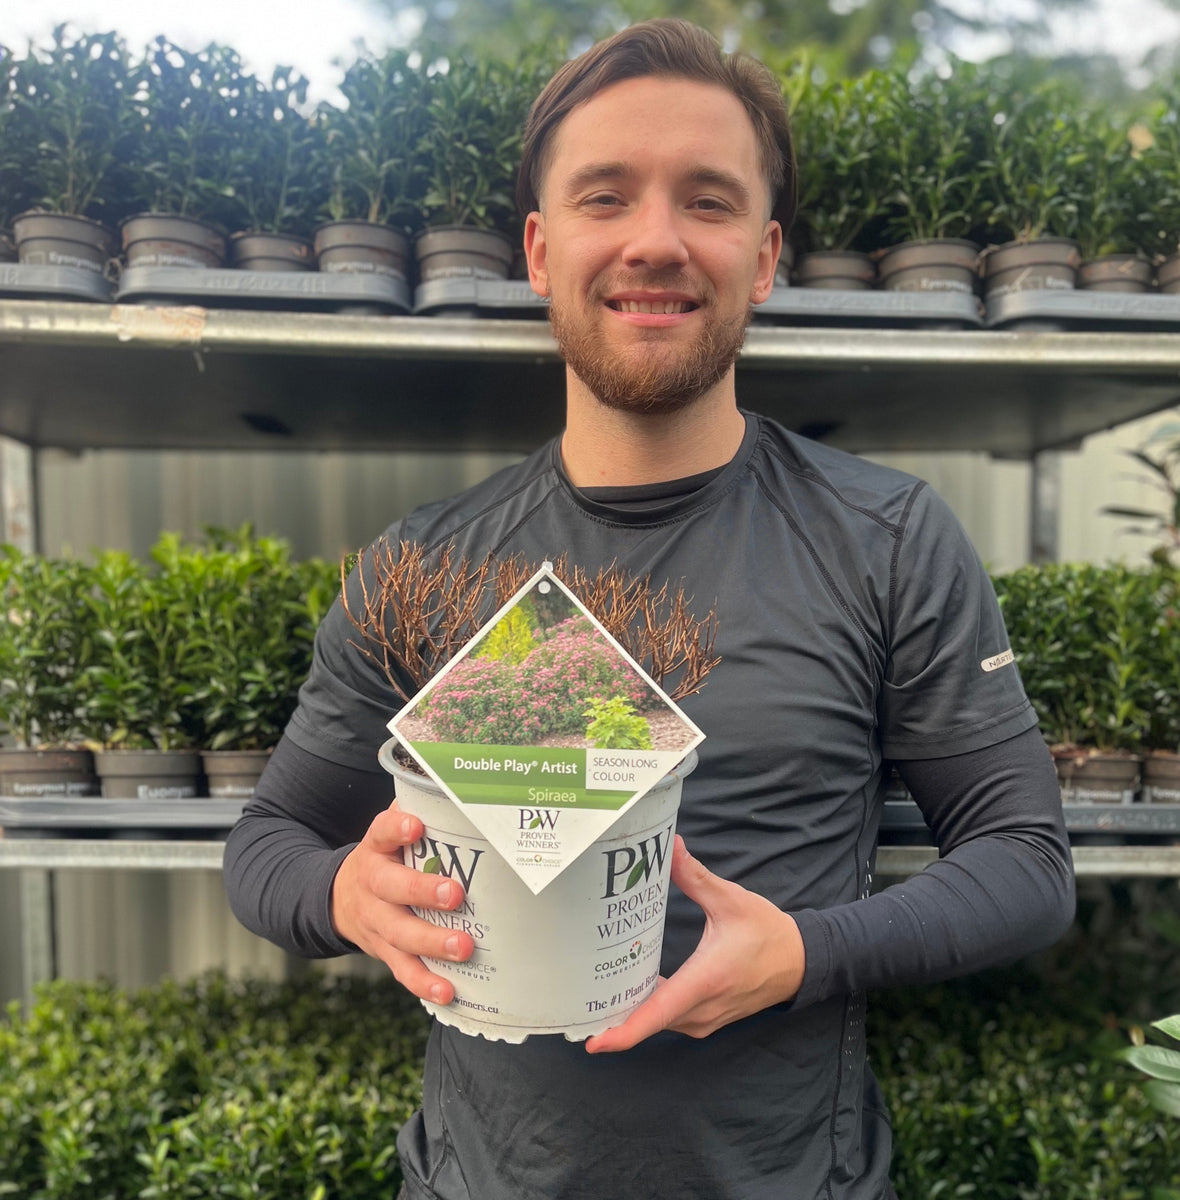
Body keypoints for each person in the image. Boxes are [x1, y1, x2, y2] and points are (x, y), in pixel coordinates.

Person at [224, 19, 1075, 1199]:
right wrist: (343, 895)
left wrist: (804, 953)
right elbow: (265, 847)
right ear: (538, 245)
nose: (656, 241)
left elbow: (1027, 861)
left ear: (767, 256)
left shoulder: (885, 542)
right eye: (605, 196)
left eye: (709, 201)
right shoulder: (424, 565)